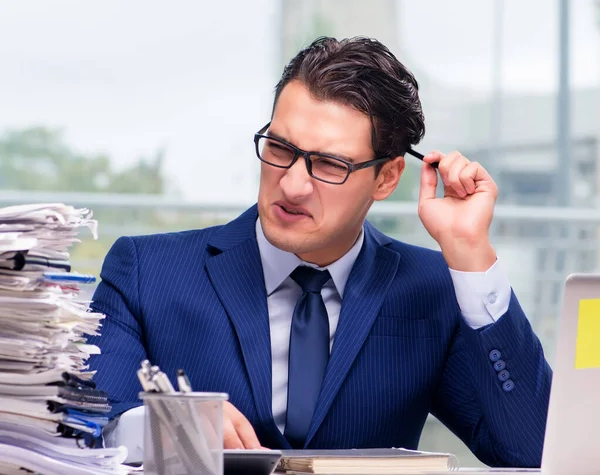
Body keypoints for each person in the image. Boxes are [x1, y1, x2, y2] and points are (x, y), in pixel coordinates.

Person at [87, 36, 551, 468]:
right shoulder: (146, 271)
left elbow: (533, 452)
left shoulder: (432, 288)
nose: (291, 184)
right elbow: (83, 432)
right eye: (281, 148)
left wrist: (470, 254)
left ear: (387, 178)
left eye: (329, 164)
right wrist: (174, 428)